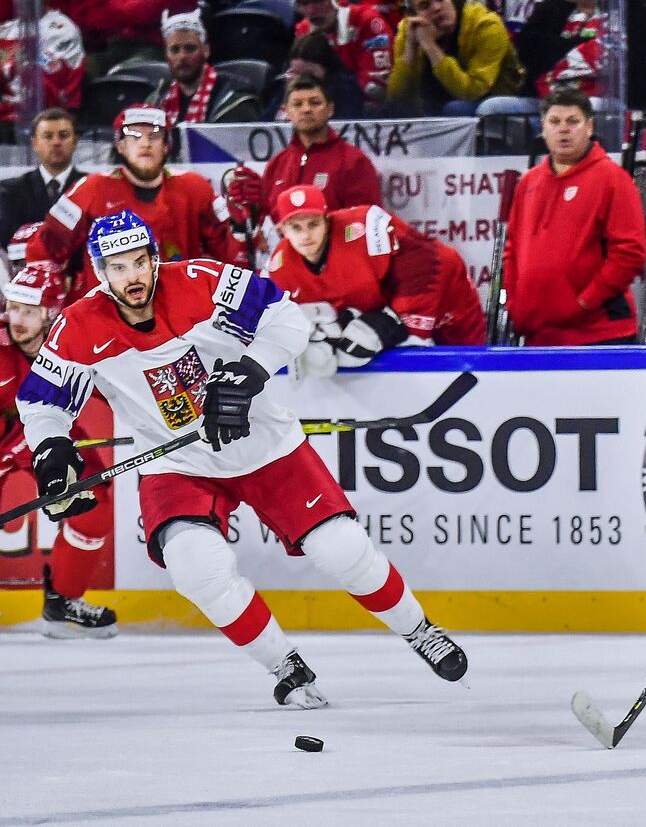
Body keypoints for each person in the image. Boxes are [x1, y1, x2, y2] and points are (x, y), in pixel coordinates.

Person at [18, 211, 469, 707]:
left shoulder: (202, 280)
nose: (133, 277)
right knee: (195, 567)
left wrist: (249, 373)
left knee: (341, 549)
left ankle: (418, 629)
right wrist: (52, 450)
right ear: (102, 272)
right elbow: (42, 402)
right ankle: (284, 665)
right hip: (175, 463)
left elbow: (285, 317)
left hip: (262, 442)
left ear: (153, 258)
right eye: (119, 267)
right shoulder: (80, 324)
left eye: (140, 262)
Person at [1, 262, 117, 638]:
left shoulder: (74, 341)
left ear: (51, 312)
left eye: (29, 311)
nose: (16, 319)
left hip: (45, 432)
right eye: (13, 307)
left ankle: (63, 601)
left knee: (94, 507)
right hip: (10, 438)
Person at [35, 105, 254, 304]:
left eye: (155, 136)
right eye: (134, 135)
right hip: (108, 318)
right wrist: (52, 299)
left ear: (167, 145)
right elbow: (43, 249)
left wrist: (241, 227)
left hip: (177, 315)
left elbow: (233, 260)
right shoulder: (90, 189)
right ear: (120, 145)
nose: (145, 143)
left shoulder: (195, 188)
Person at [266, 184, 485, 378]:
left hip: (447, 298)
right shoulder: (279, 268)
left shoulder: (367, 227)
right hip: (384, 305)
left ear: (327, 219)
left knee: (473, 373)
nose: (306, 235)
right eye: (296, 227)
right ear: (281, 230)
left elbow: (432, 261)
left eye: (313, 224)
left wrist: (397, 321)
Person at [502, 87, 646, 346]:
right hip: (540, 336)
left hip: (599, 335)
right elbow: (512, 250)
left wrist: (583, 303)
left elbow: (629, 254)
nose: (563, 129)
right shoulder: (528, 183)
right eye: (554, 122)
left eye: (573, 121)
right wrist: (517, 306)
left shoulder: (613, 180)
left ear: (589, 126)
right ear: (543, 128)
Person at [477, 0, 646, 117]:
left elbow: (638, 70)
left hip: (603, 102)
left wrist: (563, 50)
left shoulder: (631, 13)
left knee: (589, 107)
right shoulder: (549, 9)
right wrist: (584, 48)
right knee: (492, 107)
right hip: (547, 100)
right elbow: (527, 55)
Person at [226, 75, 383, 233]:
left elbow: (367, 226)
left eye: (315, 103)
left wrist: (327, 241)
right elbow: (265, 228)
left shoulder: (353, 161)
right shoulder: (277, 164)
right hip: (283, 256)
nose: (306, 109)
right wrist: (250, 212)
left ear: (330, 109)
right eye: (297, 104)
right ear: (286, 111)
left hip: (337, 256)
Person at [384, 0, 522, 116]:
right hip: (438, 102)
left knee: (455, 108)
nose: (436, 8)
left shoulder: (486, 25)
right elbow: (396, 98)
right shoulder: (409, 29)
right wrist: (411, 49)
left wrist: (431, 46)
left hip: (493, 103)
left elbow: (472, 91)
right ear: (412, 15)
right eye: (425, 5)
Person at [291, 0, 393, 111]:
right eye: (305, 3)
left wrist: (321, 76)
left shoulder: (370, 23)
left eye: (319, 0)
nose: (311, 10)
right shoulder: (303, 28)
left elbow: (376, 90)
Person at [84, 0, 200, 77]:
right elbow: (93, 11)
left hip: (159, 48)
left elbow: (152, 12)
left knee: (126, 75)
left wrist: (112, 5)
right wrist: (138, 5)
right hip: (115, 46)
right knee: (83, 71)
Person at [0, 0, 83, 130]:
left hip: (43, 122)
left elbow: (44, 86)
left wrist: (8, 68)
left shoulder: (61, 29)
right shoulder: (4, 30)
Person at [148, 9, 259, 127]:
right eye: (175, 50)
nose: (182, 56)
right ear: (166, 54)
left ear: (206, 51)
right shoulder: (158, 99)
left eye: (190, 48)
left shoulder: (233, 98)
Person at [0, 108, 83, 249]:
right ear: (34, 143)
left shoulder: (92, 187)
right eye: (48, 136)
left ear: (75, 141)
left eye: (63, 135)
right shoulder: (10, 191)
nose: (56, 142)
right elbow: (7, 240)